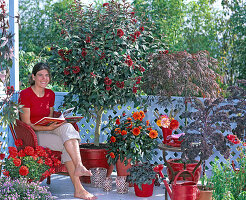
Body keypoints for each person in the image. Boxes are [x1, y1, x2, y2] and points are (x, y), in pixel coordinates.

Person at [18, 63, 97, 200]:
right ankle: (79, 189)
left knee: (68, 128)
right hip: (34, 134)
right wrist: (48, 128)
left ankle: (79, 166)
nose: (44, 78)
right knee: (67, 144)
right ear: (33, 76)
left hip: (48, 128)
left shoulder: (50, 94)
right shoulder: (25, 94)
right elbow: (27, 123)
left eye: (47, 75)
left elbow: (48, 116)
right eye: (40, 75)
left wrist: (57, 122)